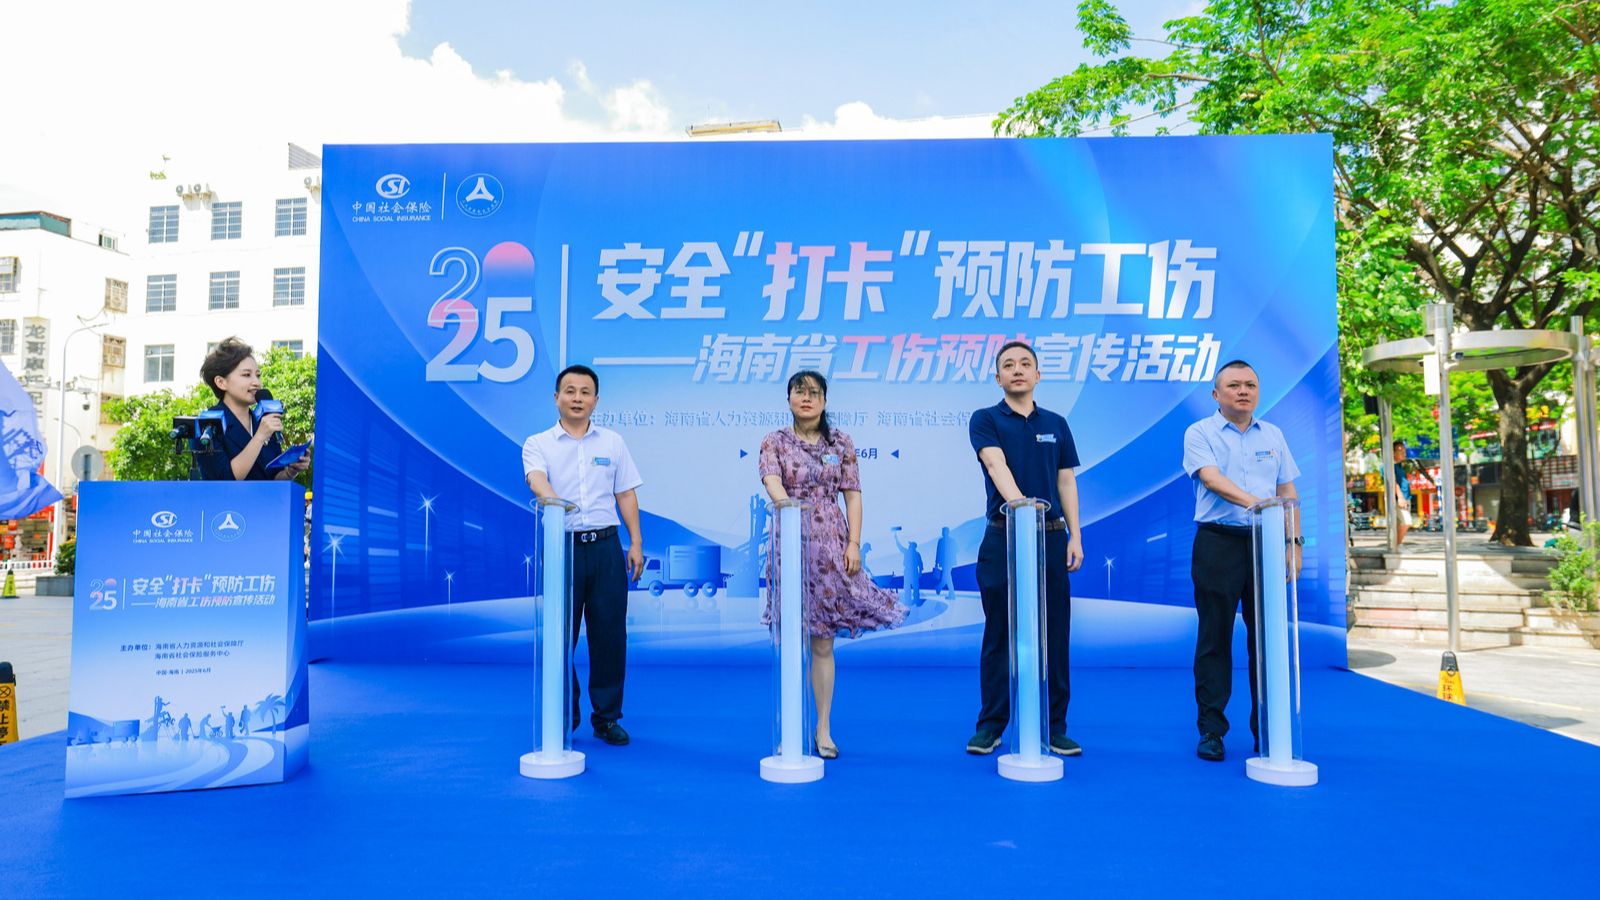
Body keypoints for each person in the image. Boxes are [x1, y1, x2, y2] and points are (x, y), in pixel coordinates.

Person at [759, 370, 903, 759]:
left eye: (814, 393)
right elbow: (771, 481)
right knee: (792, 640)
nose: (806, 398)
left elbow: (852, 495)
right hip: (790, 542)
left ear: (824, 400)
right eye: (799, 392)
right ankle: (791, 728)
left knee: (823, 641)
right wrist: (788, 507)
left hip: (831, 544)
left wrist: (853, 543)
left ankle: (823, 729)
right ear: (789, 399)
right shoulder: (774, 441)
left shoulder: (840, 442)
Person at [966, 341, 1084, 757]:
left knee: (1055, 632)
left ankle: (1054, 726)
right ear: (998, 377)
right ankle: (991, 725)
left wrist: (1075, 535)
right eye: (1008, 365)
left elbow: (1066, 481)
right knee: (1000, 632)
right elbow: (995, 464)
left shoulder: (1057, 423)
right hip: (1004, 535)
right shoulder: (985, 419)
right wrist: (1022, 508)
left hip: (1050, 537)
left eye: (1025, 364)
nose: (1017, 370)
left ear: (1037, 374)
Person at [1182, 359, 1302, 762]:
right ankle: (1212, 731)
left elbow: (1287, 491)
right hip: (1218, 542)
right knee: (1214, 639)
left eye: (1250, 385)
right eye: (1234, 385)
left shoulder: (1274, 434)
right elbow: (1211, 478)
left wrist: (1293, 542)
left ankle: (1267, 728)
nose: (1243, 391)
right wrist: (1260, 505)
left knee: (1266, 639)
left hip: (1265, 544)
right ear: (1216, 394)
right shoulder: (1200, 432)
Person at [523, 364, 644, 746]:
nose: (577, 398)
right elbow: (536, 479)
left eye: (585, 392)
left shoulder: (612, 442)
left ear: (596, 400)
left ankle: (606, 718)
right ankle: (563, 717)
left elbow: (625, 493)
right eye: (570, 391)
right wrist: (556, 503)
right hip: (563, 547)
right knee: (560, 637)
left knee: (610, 637)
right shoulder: (538, 443)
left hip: (606, 547)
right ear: (556, 397)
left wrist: (636, 543)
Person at [195, 338, 310, 482]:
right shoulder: (206, 426)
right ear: (221, 382)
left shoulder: (263, 421)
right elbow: (225, 479)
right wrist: (260, 437)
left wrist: (290, 471)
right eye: (246, 375)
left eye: (258, 375)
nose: (257, 382)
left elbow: (273, 478)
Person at [1392, 440, 1413, 547]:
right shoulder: (1388, 466)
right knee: (1406, 522)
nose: (1404, 454)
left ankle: (1395, 547)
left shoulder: (1400, 466)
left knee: (1399, 525)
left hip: (1405, 498)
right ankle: (1397, 546)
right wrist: (1400, 497)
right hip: (1398, 499)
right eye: (1401, 451)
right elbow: (1393, 482)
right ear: (1393, 453)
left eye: (1404, 451)